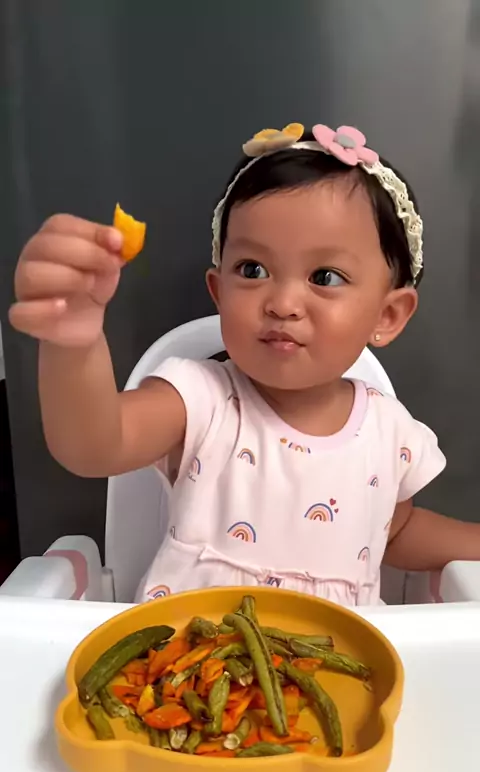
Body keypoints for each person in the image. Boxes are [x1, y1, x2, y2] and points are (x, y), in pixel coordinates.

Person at [10, 122, 480, 605]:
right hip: (191, 648)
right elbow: (93, 445)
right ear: (219, 293)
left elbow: (395, 530)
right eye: (252, 270)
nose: (283, 303)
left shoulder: (390, 431)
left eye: (325, 276)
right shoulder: (198, 400)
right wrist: (73, 344)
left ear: (387, 315)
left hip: (337, 652)